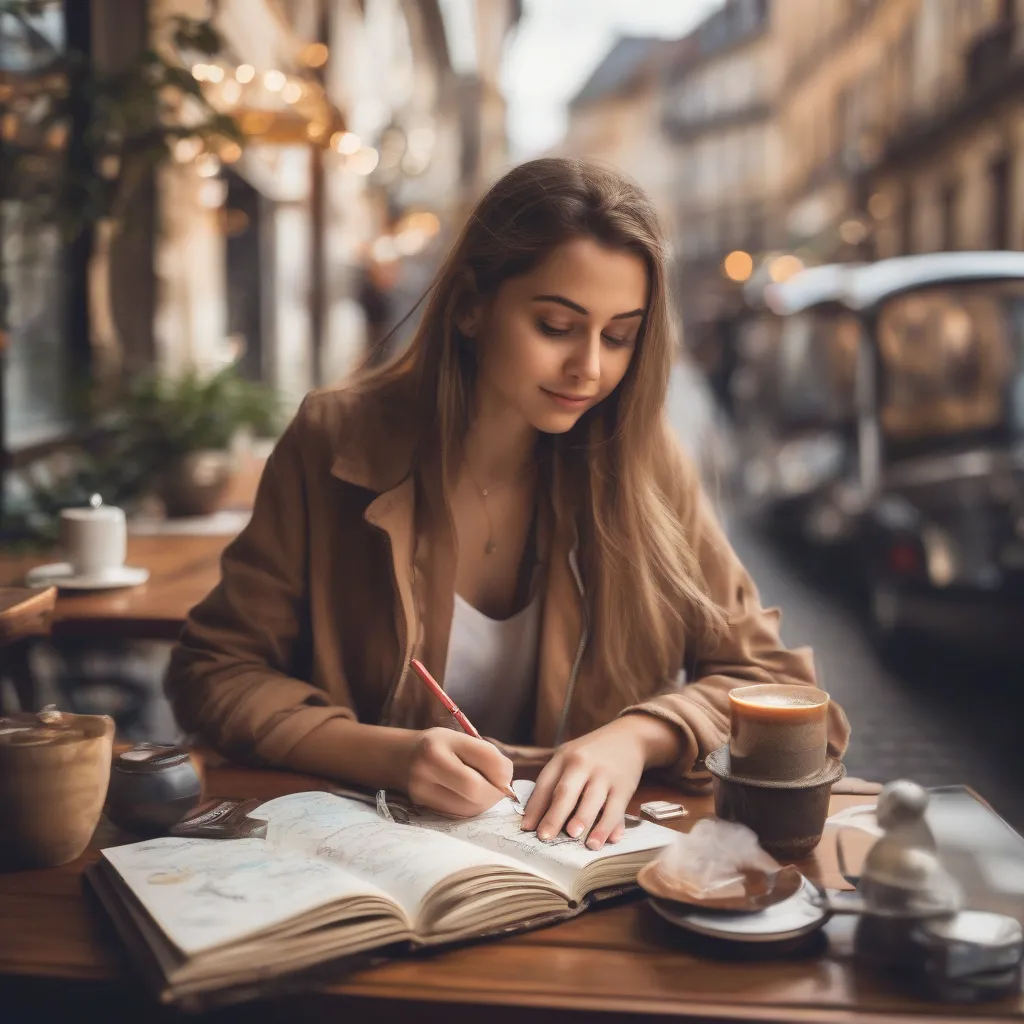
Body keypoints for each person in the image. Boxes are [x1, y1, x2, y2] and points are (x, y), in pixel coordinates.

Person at [166, 158, 850, 851]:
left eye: (618, 336)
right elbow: (215, 672)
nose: (590, 367)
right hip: (369, 864)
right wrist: (386, 755)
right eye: (557, 326)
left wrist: (638, 738)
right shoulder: (335, 441)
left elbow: (781, 692)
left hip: (580, 874)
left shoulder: (644, 464)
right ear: (471, 305)